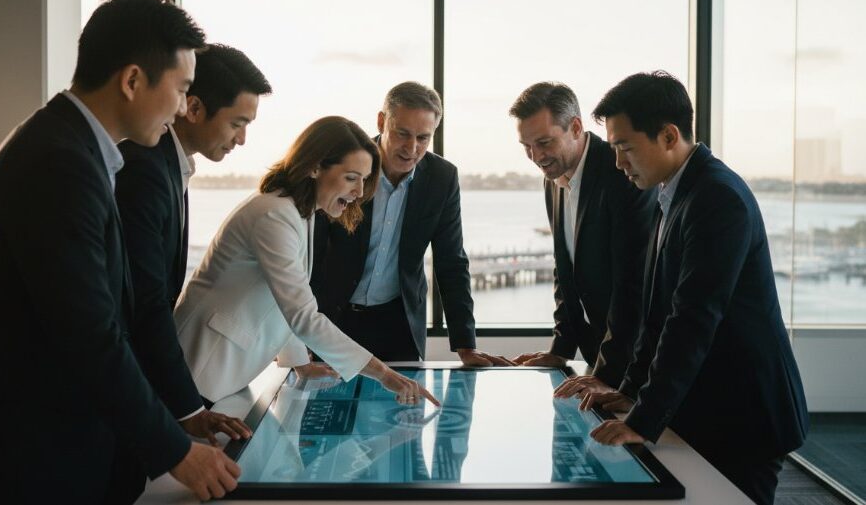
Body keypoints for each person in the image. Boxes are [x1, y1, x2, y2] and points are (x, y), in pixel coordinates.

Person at [0, 0, 241, 504]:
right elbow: (89, 334)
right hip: (39, 452)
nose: (185, 107)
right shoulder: (59, 163)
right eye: (182, 89)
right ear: (133, 80)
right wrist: (177, 450)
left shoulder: (70, 148)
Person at [579, 71, 808, 505]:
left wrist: (642, 419)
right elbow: (656, 315)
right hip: (709, 408)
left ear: (668, 135)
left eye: (625, 147)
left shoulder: (718, 197)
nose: (618, 163)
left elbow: (692, 318)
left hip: (747, 414)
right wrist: (628, 390)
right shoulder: (672, 193)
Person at [174, 116, 439, 407]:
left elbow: (284, 301)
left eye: (364, 180)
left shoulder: (301, 213)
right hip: (196, 370)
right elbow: (303, 315)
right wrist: (385, 374)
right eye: (351, 178)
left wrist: (299, 362)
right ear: (315, 166)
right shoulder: (274, 214)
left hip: (222, 373)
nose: (360, 192)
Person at [111, 43, 271, 503]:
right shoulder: (143, 168)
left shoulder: (168, 166)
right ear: (195, 108)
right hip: (113, 396)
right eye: (237, 123)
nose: (241, 139)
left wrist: (192, 413)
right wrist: (185, 412)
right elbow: (146, 305)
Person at [310, 82, 510, 365]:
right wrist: (300, 331)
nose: (411, 148)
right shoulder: (347, 165)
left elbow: (451, 261)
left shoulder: (442, 178)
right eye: (402, 133)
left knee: (404, 407)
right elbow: (311, 253)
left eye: (423, 138)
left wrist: (466, 346)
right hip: (332, 319)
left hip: (398, 325)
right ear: (382, 121)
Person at [507, 82, 654, 391]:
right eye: (526, 146)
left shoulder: (623, 173)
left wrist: (606, 375)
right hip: (597, 358)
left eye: (544, 142)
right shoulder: (552, 180)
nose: (535, 156)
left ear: (575, 127)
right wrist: (560, 351)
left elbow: (632, 285)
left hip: (639, 364)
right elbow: (566, 270)